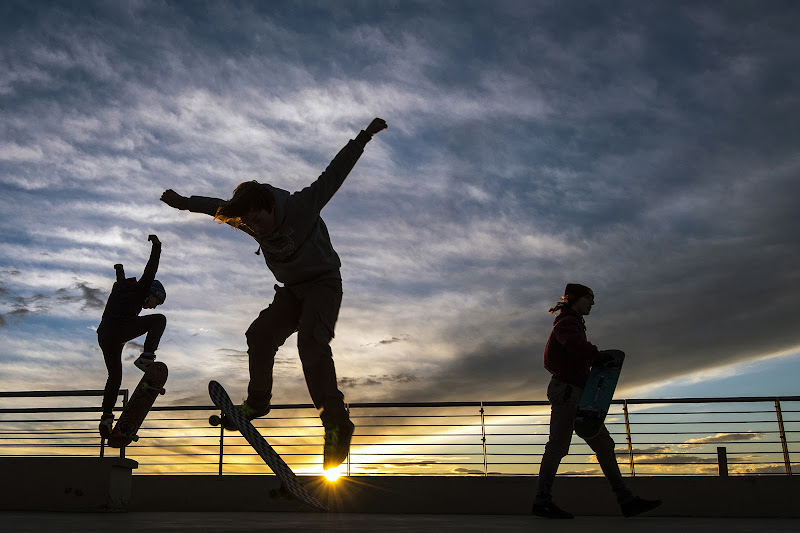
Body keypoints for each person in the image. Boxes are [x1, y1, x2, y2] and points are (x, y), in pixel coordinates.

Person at [159, 117, 388, 470]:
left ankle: (336, 423)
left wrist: (364, 136)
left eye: (258, 221)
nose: (255, 229)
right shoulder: (246, 218)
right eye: (248, 225)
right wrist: (183, 202)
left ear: (269, 205)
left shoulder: (303, 205)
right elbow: (215, 207)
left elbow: (335, 172)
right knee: (260, 334)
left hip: (323, 284)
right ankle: (257, 403)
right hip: (291, 292)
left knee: (311, 344)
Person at [532, 283, 662, 518]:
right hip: (568, 392)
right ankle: (542, 502)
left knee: (603, 445)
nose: (592, 303)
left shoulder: (573, 322)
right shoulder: (567, 323)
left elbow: (574, 350)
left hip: (579, 393)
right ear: (575, 299)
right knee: (558, 447)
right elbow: (574, 345)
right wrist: (599, 357)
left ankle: (626, 500)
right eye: (589, 298)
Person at [97, 235, 167, 438]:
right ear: (151, 292)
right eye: (156, 301)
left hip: (105, 336)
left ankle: (106, 417)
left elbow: (120, 280)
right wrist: (157, 246)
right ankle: (146, 358)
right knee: (159, 320)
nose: (153, 306)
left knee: (115, 376)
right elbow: (151, 269)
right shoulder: (140, 289)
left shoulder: (123, 289)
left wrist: (119, 269)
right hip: (121, 329)